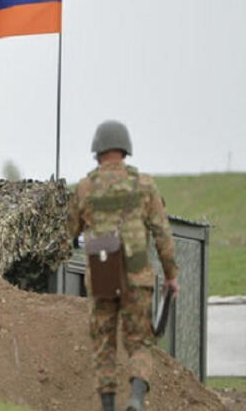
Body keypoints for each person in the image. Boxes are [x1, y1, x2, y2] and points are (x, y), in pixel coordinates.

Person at [67, 120, 180, 411]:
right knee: (140, 343)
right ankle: (136, 398)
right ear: (125, 149)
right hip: (137, 279)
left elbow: (70, 232)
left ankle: (108, 407)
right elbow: (163, 235)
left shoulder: (85, 188)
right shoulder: (144, 185)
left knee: (104, 345)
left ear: (97, 150)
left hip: (102, 278)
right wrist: (171, 276)